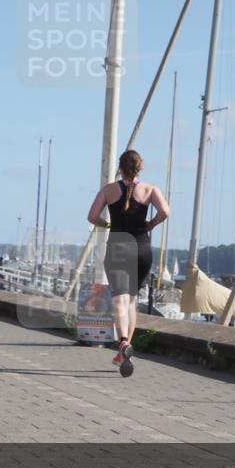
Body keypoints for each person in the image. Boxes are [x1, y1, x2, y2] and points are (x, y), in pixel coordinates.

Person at [86, 150, 169, 377]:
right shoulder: (150, 190)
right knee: (131, 300)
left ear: (120, 168)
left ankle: (122, 343)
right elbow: (165, 211)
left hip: (118, 247)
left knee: (119, 300)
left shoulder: (109, 190)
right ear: (139, 168)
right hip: (142, 248)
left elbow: (92, 216)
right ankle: (124, 350)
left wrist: (108, 224)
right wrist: (150, 224)